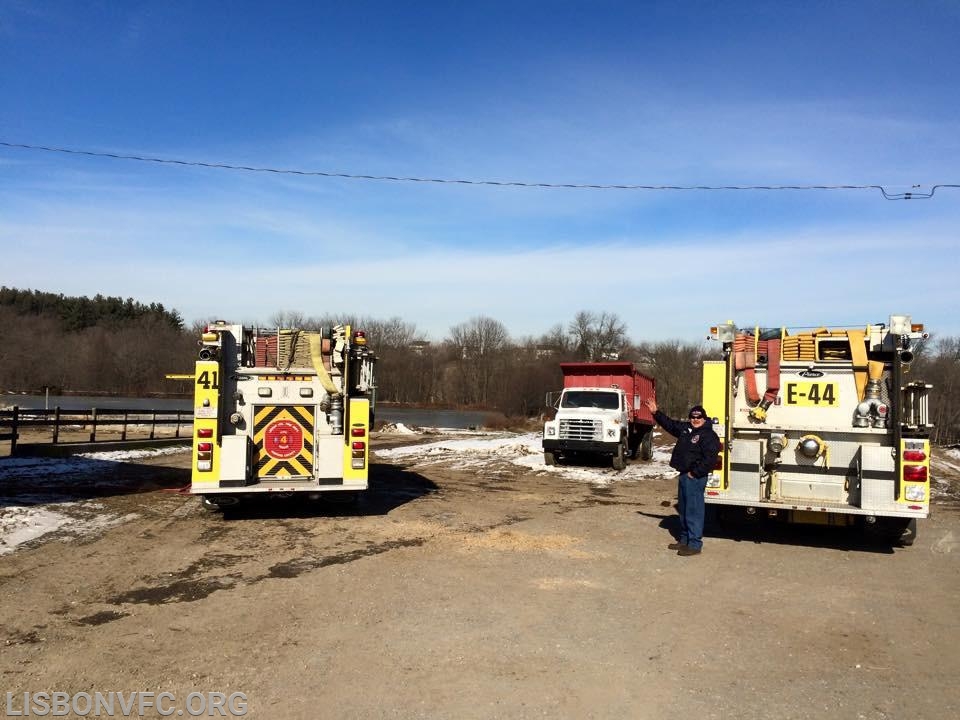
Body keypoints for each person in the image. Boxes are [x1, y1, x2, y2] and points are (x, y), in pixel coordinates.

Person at [643, 398, 721, 556]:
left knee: (694, 511)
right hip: (684, 475)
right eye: (693, 417)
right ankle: (684, 540)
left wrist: (695, 473)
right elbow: (670, 424)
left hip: (695, 477)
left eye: (699, 417)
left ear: (704, 419)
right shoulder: (686, 429)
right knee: (684, 510)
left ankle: (694, 544)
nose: (695, 420)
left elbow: (710, 459)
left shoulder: (708, 435)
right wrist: (655, 413)